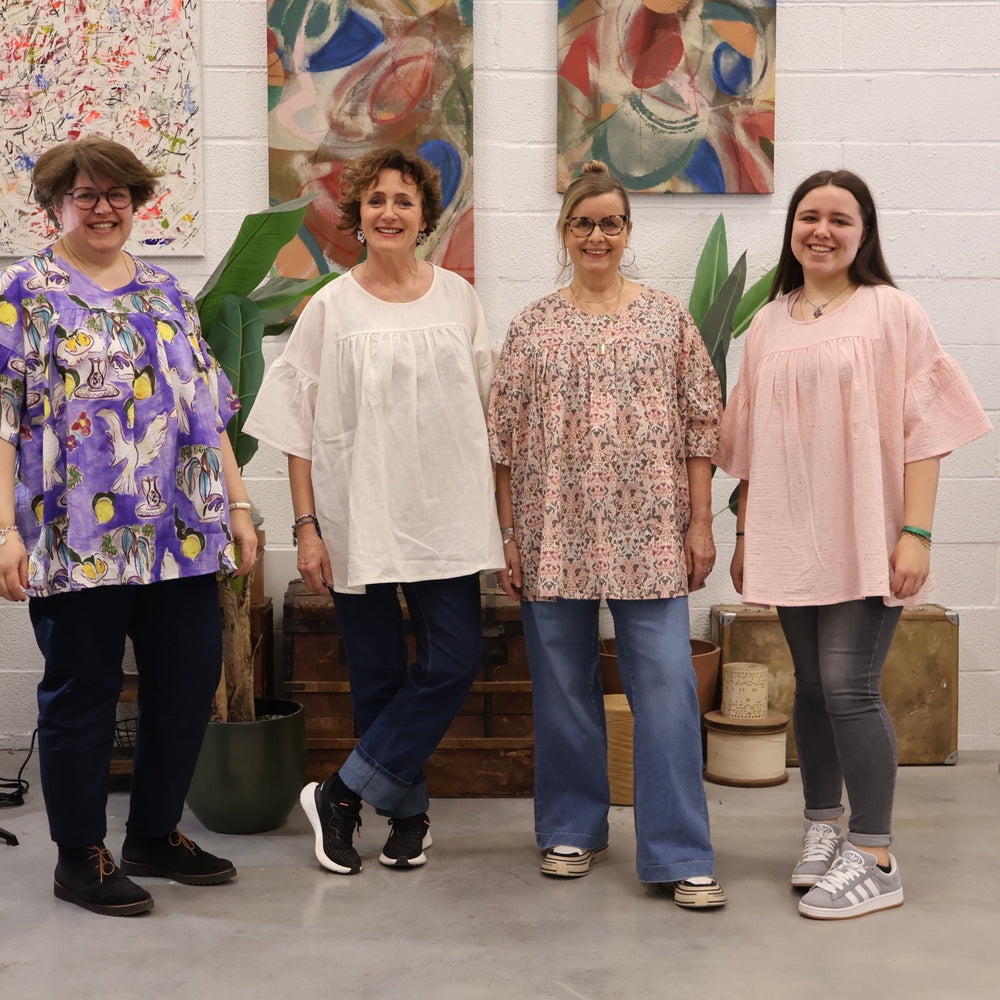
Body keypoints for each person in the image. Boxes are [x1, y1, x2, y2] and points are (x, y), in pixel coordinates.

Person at [715, 169, 991, 920]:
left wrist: (916, 533)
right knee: (810, 687)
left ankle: (874, 854)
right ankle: (822, 826)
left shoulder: (891, 311)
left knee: (849, 688)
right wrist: (745, 535)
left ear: (863, 232)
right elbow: (750, 446)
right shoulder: (767, 324)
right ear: (792, 229)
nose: (823, 230)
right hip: (788, 535)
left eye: (841, 218)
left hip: (868, 533)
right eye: (810, 216)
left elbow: (927, 429)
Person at [0, 136, 257, 916]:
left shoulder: (165, 291)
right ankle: (79, 855)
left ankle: (152, 834)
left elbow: (207, 406)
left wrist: (239, 506)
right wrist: (5, 532)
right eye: (85, 194)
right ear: (55, 205)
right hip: (77, 538)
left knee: (186, 682)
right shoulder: (25, 293)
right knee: (83, 691)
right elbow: (2, 422)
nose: (104, 207)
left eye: (118, 194)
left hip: (182, 533)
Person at [245, 147, 503, 875]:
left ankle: (340, 793)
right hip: (355, 516)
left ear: (424, 218)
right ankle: (409, 819)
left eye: (404, 201)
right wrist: (306, 528)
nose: (389, 212)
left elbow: (492, 413)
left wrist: (504, 519)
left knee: (454, 660)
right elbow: (296, 427)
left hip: (445, 513)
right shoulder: (331, 306)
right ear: (359, 215)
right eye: (376, 200)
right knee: (378, 673)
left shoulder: (458, 298)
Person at [488, 160, 726, 909]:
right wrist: (509, 536)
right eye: (583, 223)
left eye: (610, 223)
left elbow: (702, 424)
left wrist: (700, 522)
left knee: (666, 691)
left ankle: (679, 850)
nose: (597, 235)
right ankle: (571, 827)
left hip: (651, 534)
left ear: (628, 231)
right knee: (563, 689)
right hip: (552, 532)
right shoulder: (532, 326)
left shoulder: (666, 318)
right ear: (565, 232)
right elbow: (503, 441)